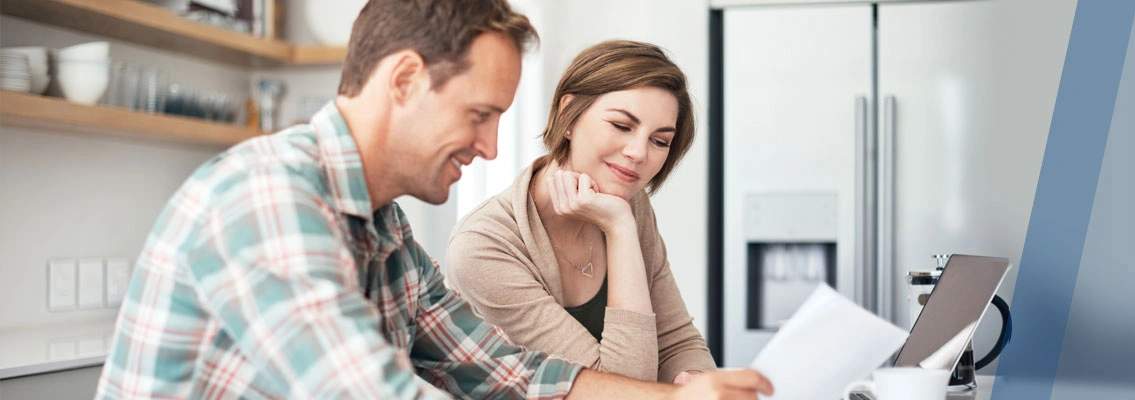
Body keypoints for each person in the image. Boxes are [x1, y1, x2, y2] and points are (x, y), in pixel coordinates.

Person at [94, 1, 771, 399]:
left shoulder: (385, 231)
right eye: (480, 114)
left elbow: (512, 373)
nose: (489, 146)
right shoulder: (266, 197)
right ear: (406, 79)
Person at [444, 40, 715, 385]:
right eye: (621, 125)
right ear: (567, 115)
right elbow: (617, 391)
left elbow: (677, 340)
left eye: (659, 141)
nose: (638, 153)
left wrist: (694, 380)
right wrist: (619, 229)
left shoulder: (630, 204)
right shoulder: (482, 248)